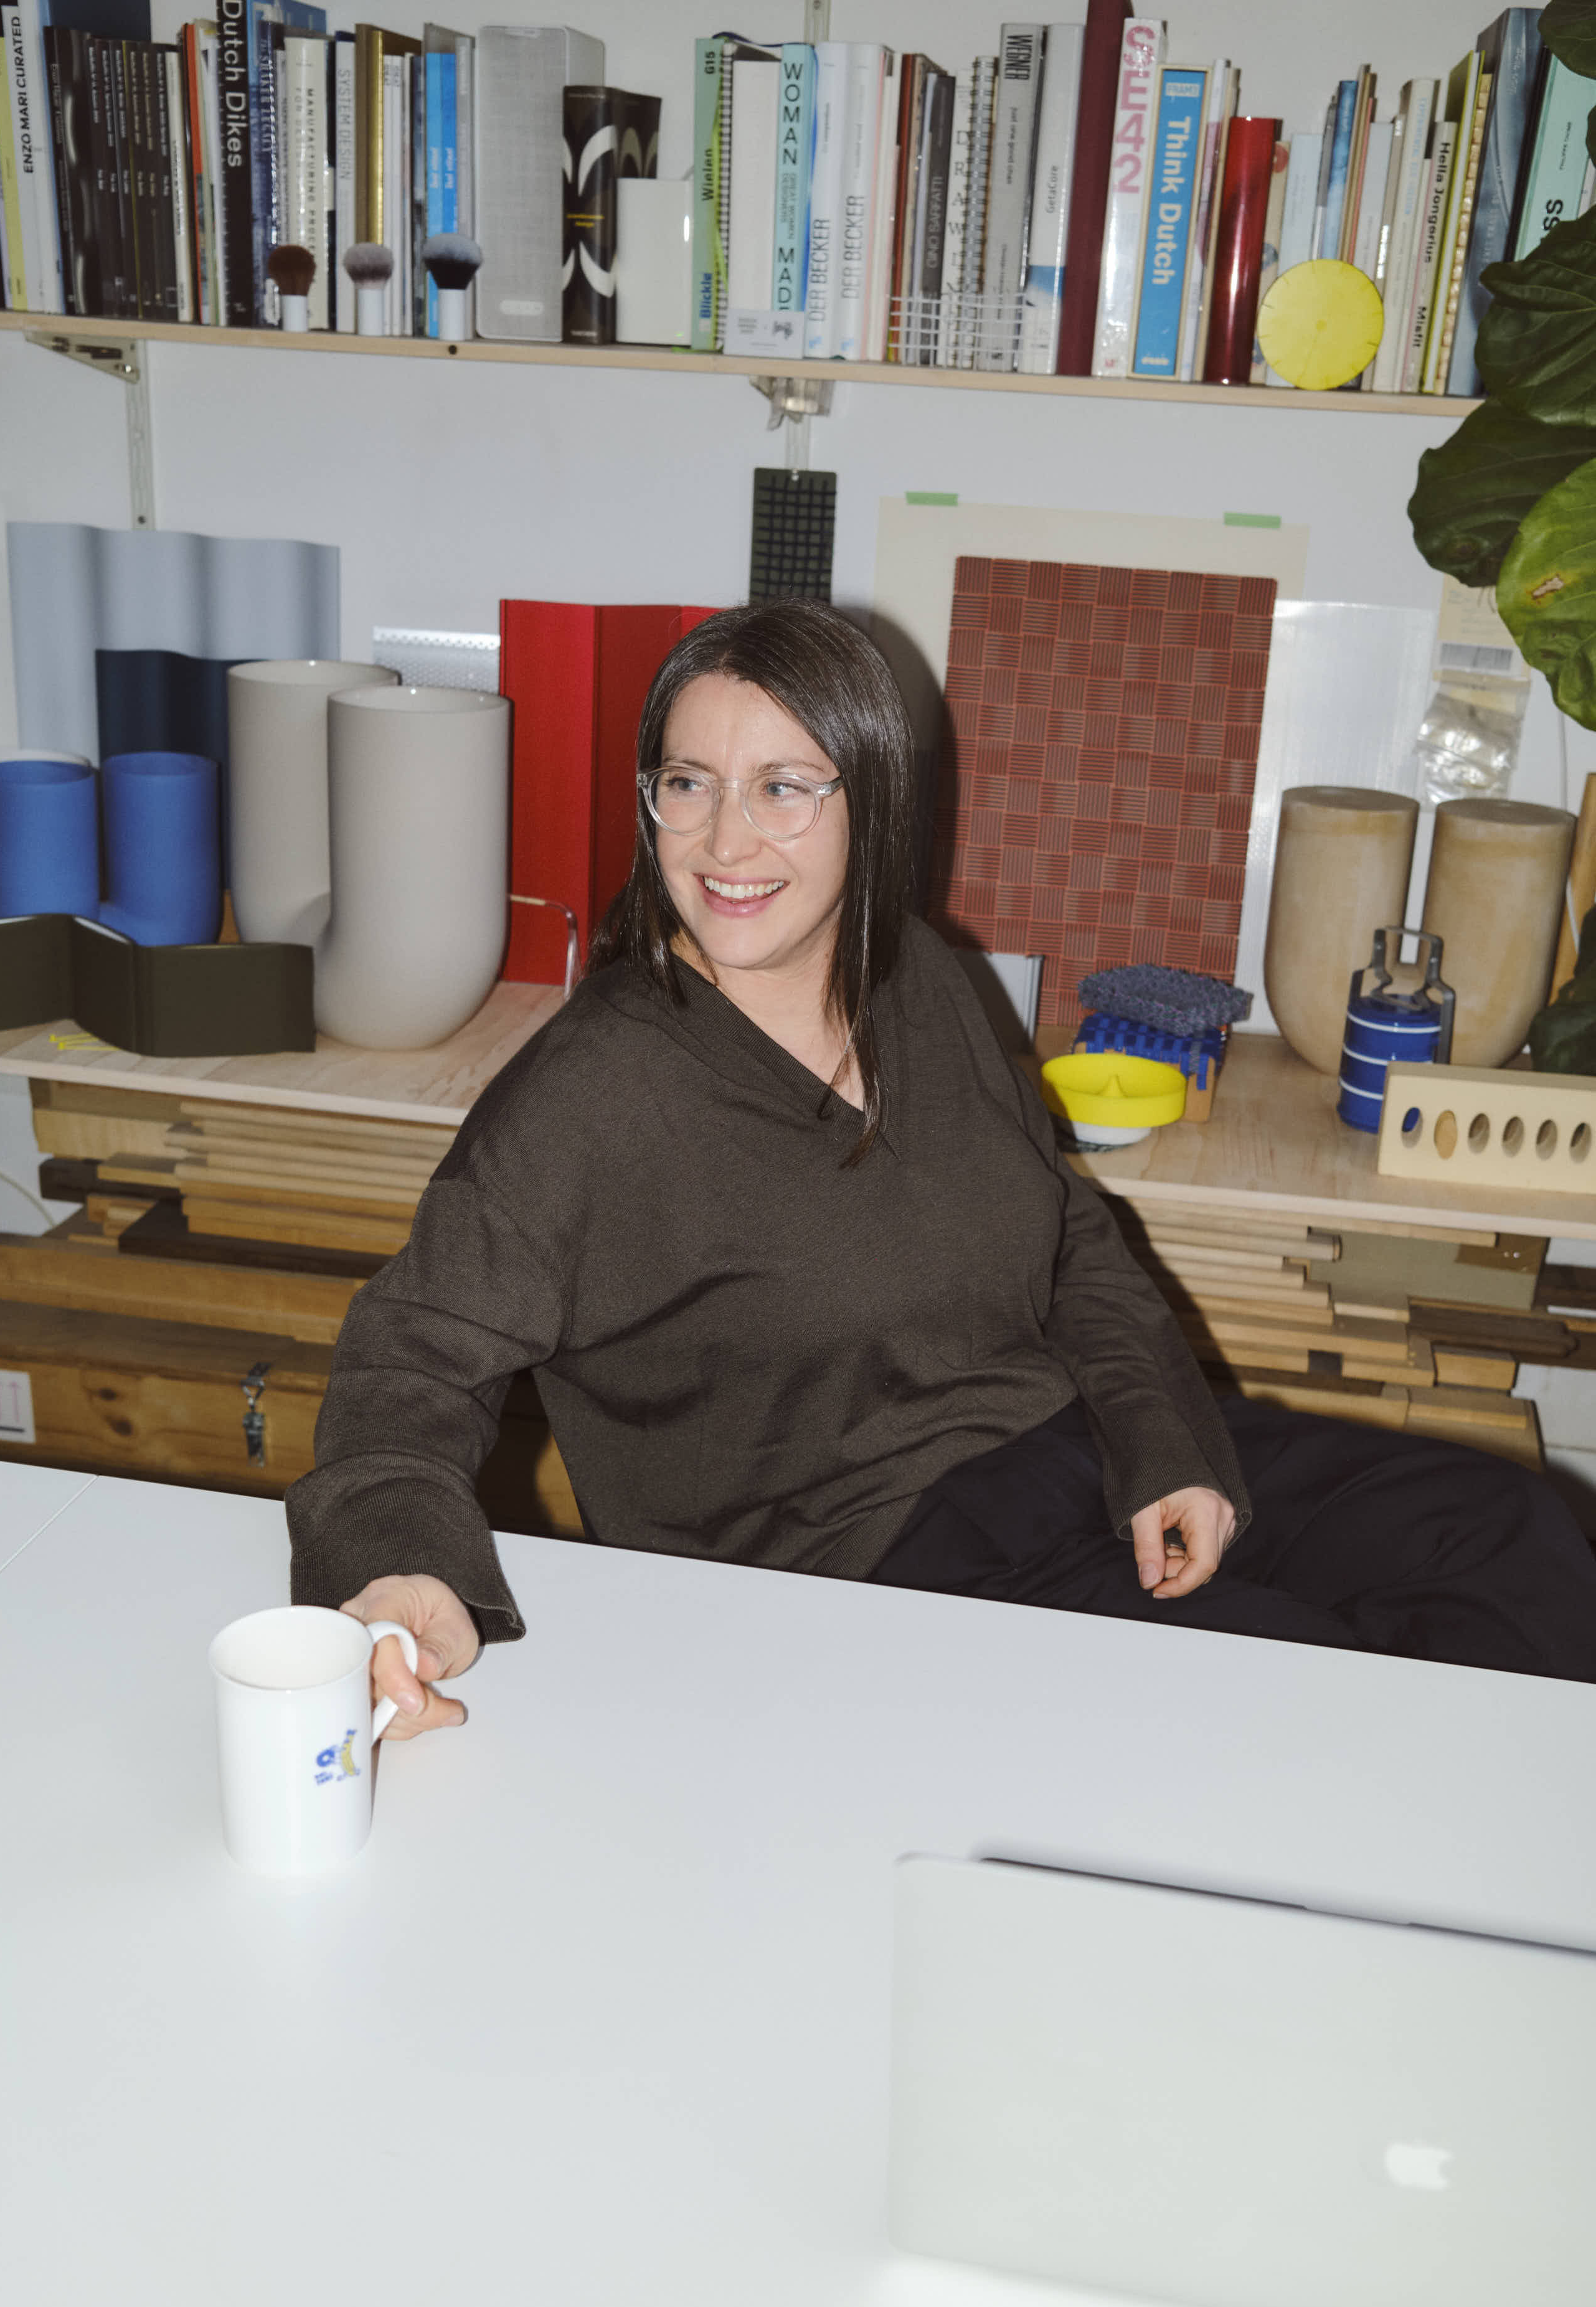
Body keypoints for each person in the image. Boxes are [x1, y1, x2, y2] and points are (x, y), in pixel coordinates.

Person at [286, 601, 1596, 1738]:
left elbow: (1069, 1234)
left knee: (1509, 1538)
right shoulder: (594, 1092)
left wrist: (1162, 1437)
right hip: (869, 1568)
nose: (725, 840)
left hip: (1070, 1453)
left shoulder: (920, 976)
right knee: (1327, 1696)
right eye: (686, 783)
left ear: (875, 799)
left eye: (785, 786)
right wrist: (399, 1563)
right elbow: (408, 1358)